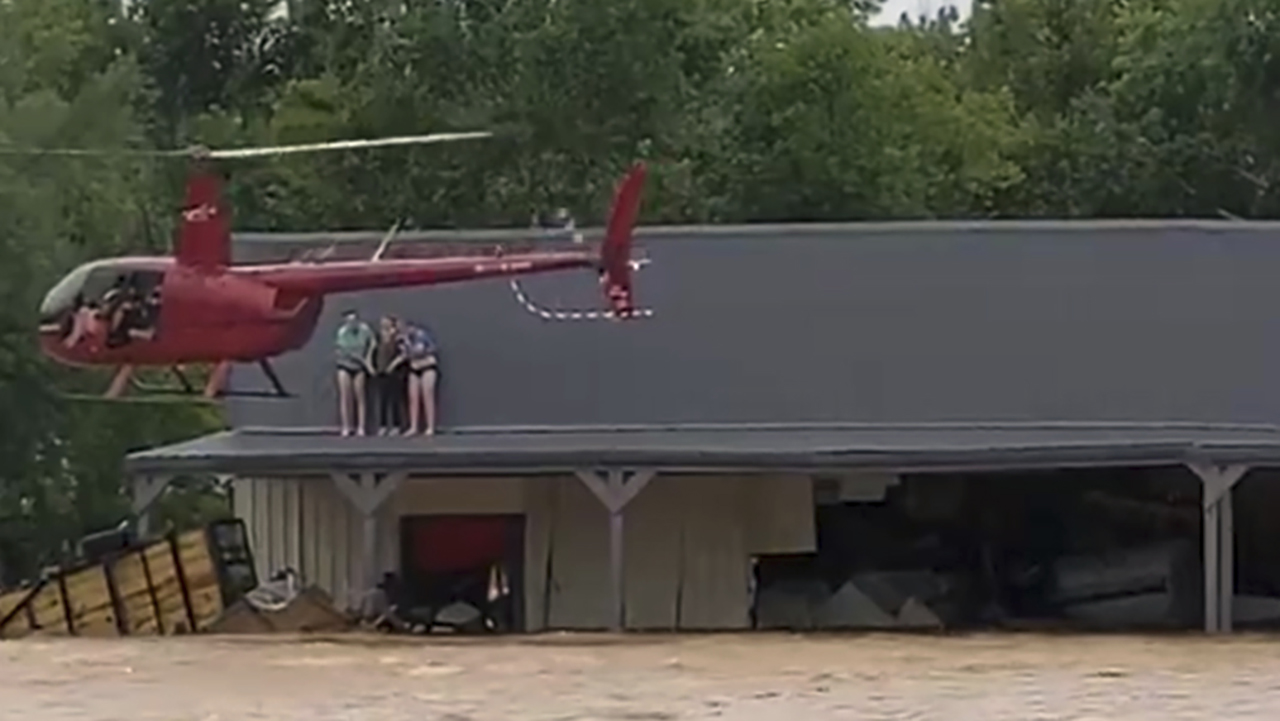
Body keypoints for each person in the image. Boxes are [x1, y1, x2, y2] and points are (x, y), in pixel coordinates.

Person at [334, 309, 375, 436]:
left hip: (359, 367)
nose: (352, 323)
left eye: (354, 320)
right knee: (346, 396)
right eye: (349, 320)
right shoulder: (342, 332)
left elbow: (373, 342)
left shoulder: (365, 329)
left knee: (360, 395)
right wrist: (365, 363)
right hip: (345, 364)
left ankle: (361, 427)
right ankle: (346, 426)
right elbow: (346, 352)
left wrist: (369, 357)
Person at [400, 319, 440, 436]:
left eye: (409, 329)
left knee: (427, 396)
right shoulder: (405, 341)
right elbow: (406, 356)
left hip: (427, 366)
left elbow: (431, 349)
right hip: (414, 368)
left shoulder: (422, 335)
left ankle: (430, 426)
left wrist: (421, 353)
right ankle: (413, 426)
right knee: (413, 398)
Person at [371, 315, 408, 435]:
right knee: (383, 400)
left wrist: (392, 365)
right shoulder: (378, 337)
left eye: (387, 322)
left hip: (395, 372)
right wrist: (371, 367)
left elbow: (403, 354)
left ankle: (396, 425)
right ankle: (382, 425)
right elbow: (373, 351)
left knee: (395, 400)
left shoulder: (398, 338)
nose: (384, 324)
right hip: (381, 371)